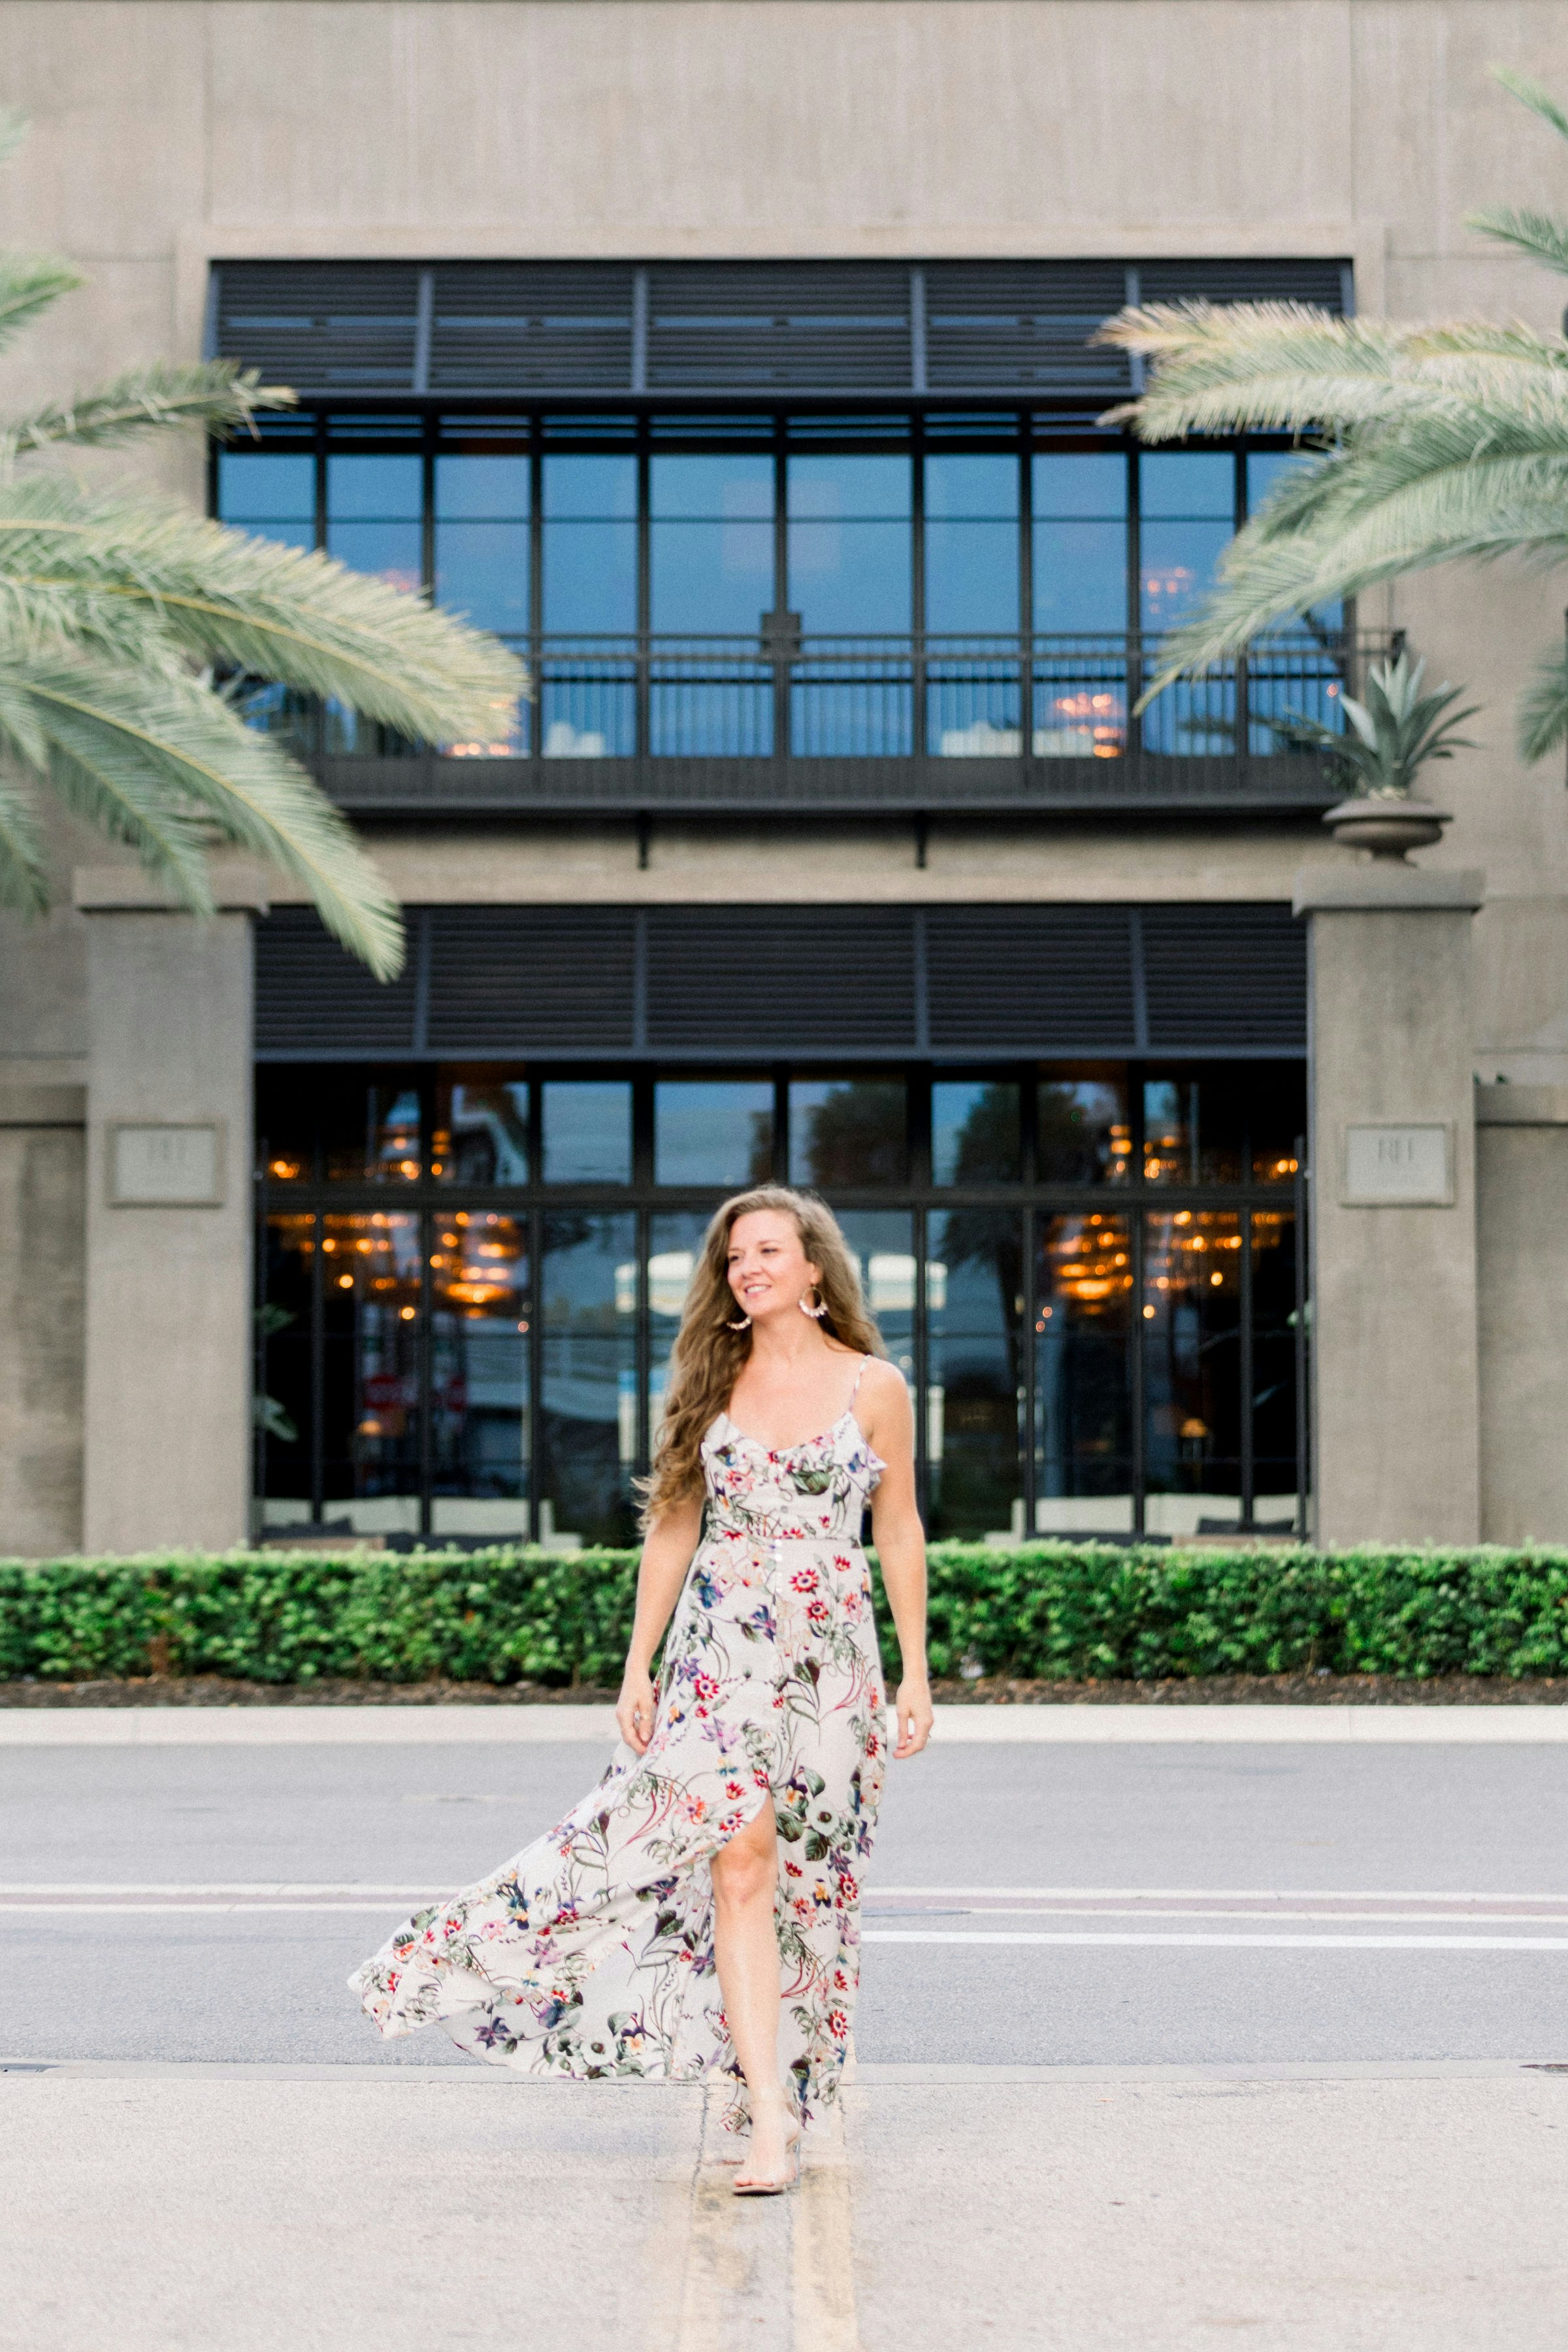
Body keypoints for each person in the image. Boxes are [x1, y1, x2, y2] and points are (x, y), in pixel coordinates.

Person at [350, 1184, 932, 2195]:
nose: (747, 1268)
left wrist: (917, 1672)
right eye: (734, 1258)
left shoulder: (874, 1386)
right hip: (718, 1656)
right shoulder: (713, 1380)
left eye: (766, 1252)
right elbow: (672, 1525)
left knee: (809, 1883)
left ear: (812, 1270)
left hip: (833, 1669)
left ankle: (785, 2077)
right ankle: (767, 2117)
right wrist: (639, 1663)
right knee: (735, 1861)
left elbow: (899, 1528)